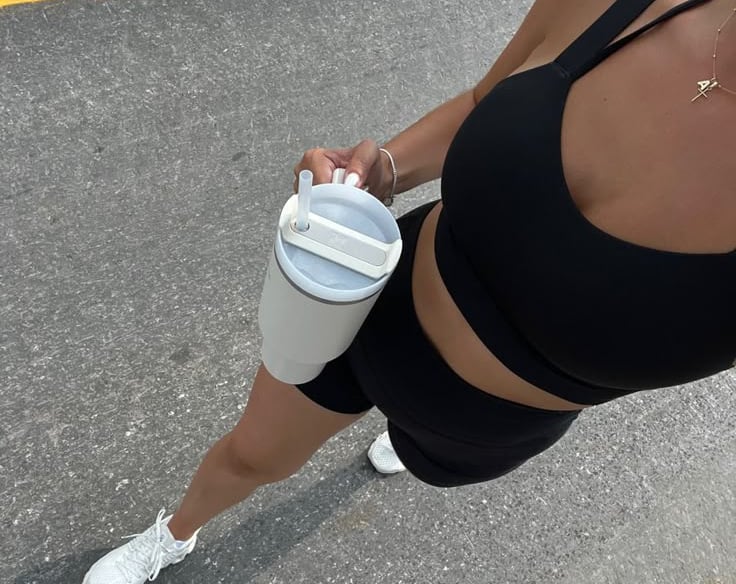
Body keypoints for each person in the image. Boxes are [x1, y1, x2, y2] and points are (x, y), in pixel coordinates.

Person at [82, 0, 736, 581]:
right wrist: (380, 170)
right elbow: (487, 100)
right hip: (366, 309)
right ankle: (175, 534)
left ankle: (401, 435)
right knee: (252, 454)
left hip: (482, 423)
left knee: (412, 448)